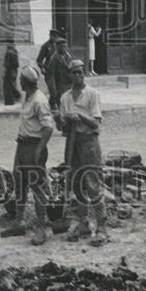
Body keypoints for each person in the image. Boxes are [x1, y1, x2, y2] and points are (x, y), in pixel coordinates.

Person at [0, 65, 54, 245]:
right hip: (22, 145)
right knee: (20, 183)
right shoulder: (27, 97)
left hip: (33, 147)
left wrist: (39, 150)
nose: (19, 83)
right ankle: (20, 221)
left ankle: (41, 228)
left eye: (21, 81)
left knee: (37, 187)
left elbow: (48, 127)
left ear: (25, 82)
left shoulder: (39, 100)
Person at [60, 59, 108, 246]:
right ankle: (83, 223)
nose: (77, 76)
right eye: (74, 73)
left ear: (84, 73)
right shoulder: (65, 98)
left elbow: (96, 123)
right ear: (69, 75)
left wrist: (79, 116)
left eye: (80, 72)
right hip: (72, 143)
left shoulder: (92, 94)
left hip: (89, 142)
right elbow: (63, 127)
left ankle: (102, 227)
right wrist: (64, 121)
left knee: (93, 184)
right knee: (77, 184)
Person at [45, 36, 73, 127]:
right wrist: (53, 90)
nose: (63, 48)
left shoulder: (68, 56)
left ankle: (60, 122)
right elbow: (51, 75)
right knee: (63, 107)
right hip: (59, 86)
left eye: (65, 46)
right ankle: (64, 126)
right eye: (61, 46)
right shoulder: (54, 59)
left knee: (68, 106)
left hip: (68, 85)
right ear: (57, 47)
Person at [3, 40, 20, 106]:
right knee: (10, 85)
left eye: (9, 43)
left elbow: (12, 63)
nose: (7, 44)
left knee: (9, 86)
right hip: (11, 70)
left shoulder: (10, 51)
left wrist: (7, 68)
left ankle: (11, 100)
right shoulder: (13, 51)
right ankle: (11, 99)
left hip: (10, 70)